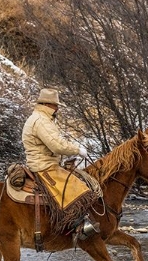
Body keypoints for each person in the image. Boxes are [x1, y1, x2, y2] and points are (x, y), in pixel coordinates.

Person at [22, 88, 99, 239]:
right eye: (55, 105)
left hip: (46, 163)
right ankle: (74, 225)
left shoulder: (41, 118)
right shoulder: (41, 121)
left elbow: (55, 143)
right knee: (76, 188)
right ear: (48, 105)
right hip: (44, 166)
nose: (57, 108)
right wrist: (77, 150)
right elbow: (56, 145)